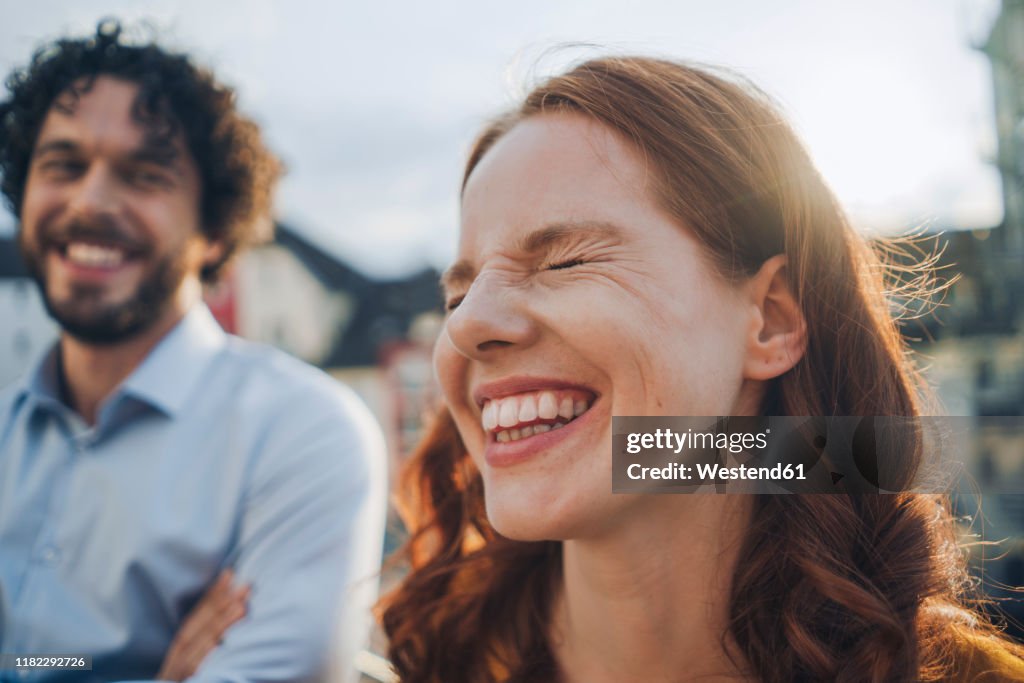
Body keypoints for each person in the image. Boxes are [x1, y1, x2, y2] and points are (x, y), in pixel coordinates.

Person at [379, 56, 1024, 682]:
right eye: (457, 294)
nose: (465, 326)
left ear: (769, 321)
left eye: (566, 261)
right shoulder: (433, 664)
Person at [0, 21, 387, 682]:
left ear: (212, 232)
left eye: (144, 174)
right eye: (63, 164)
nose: (90, 200)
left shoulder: (302, 431)